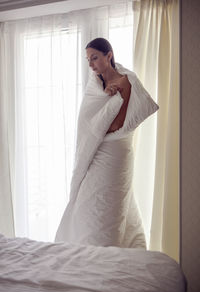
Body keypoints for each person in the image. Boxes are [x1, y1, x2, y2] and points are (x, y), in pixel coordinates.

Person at [55, 38, 159, 248]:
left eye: (95, 58)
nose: (91, 64)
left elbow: (118, 124)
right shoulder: (95, 85)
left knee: (112, 202)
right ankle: (87, 252)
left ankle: (108, 253)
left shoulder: (126, 81)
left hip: (117, 152)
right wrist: (107, 102)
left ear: (109, 55)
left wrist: (112, 104)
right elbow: (87, 119)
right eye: (88, 60)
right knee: (86, 201)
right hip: (96, 151)